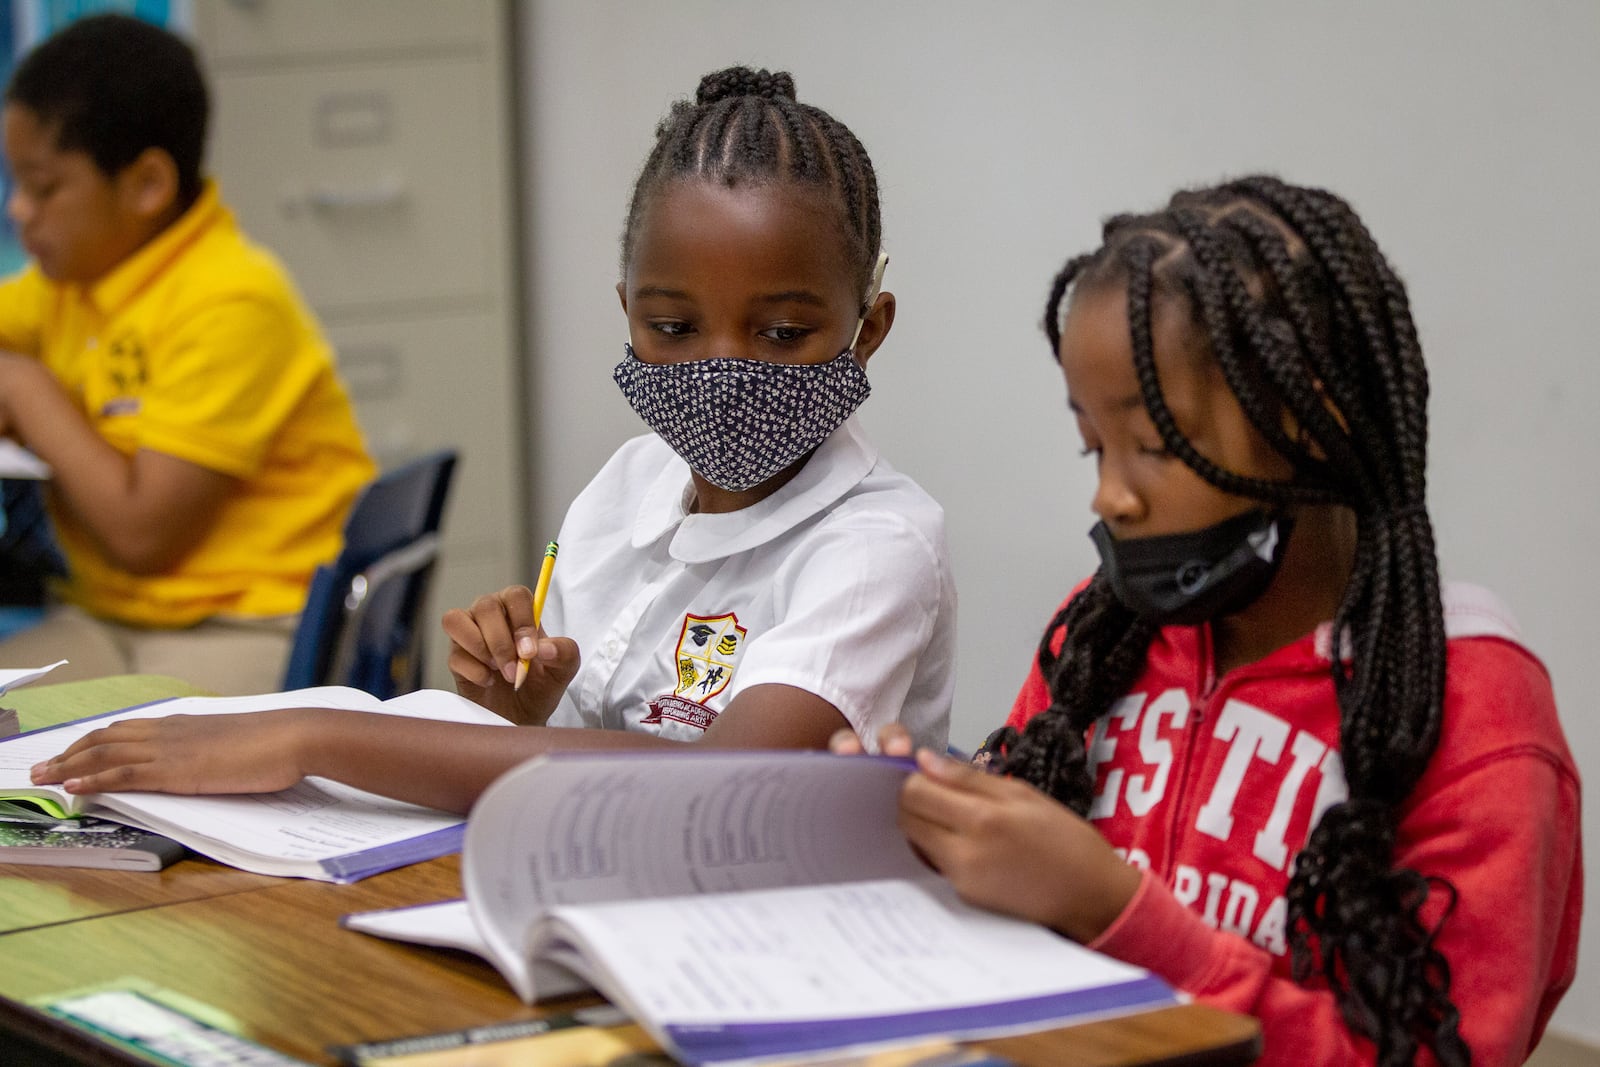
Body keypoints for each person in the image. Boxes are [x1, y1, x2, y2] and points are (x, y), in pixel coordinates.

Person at [30, 66, 957, 815]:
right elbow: (593, 741)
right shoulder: (627, 485)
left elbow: (718, 787)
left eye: (782, 333)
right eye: (674, 330)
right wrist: (519, 711)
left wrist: (313, 733)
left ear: (867, 328)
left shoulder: (878, 548)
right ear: (628, 312)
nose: (721, 369)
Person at [836, 176, 1580, 1065]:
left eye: (1154, 447)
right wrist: (930, 834)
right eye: (1094, 446)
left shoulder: (1470, 708)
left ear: (1314, 420)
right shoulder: (1102, 637)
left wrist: (1116, 910)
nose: (1109, 494)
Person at [0, 14, 375, 693]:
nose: (21, 211)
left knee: (121, 772)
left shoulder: (231, 301)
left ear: (146, 186)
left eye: (44, 186)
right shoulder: (69, 284)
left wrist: (25, 392)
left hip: (250, 621)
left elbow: (144, 537)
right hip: (111, 619)